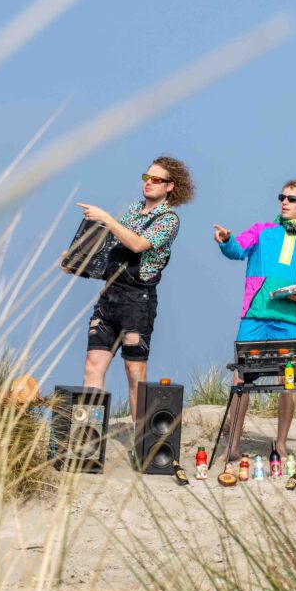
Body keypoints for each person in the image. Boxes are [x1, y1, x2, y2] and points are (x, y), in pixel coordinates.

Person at [213, 180, 296, 460]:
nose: (285, 202)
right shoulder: (261, 231)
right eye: (282, 197)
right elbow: (237, 250)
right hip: (254, 316)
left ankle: (281, 443)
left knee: (288, 380)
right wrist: (226, 239)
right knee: (242, 378)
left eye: (292, 198)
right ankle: (233, 445)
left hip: (289, 321)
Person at [75, 156, 195, 421]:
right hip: (109, 298)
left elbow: (138, 244)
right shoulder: (132, 210)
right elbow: (110, 251)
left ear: (170, 186)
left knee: (135, 372)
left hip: (136, 302)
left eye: (156, 180)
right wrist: (75, 260)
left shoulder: (169, 220)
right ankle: (89, 437)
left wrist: (107, 218)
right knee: (92, 366)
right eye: (146, 178)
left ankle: (140, 440)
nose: (149, 183)